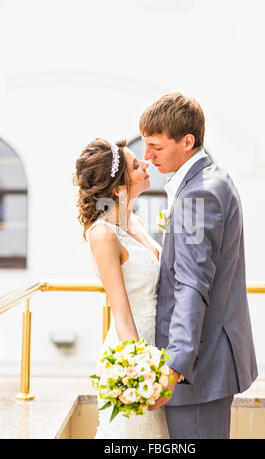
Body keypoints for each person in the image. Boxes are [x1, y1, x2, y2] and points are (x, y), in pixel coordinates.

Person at [139, 92, 258, 439]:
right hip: (209, 360)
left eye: (155, 146)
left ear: (187, 142)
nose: (148, 156)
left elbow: (191, 284)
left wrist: (175, 365)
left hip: (198, 369)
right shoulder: (212, 178)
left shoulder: (198, 195)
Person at [73, 138, 170, 439]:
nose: (146, 164)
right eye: (135, 165)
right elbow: (122, 315)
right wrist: (143, 374)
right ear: (118, 187)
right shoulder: (102, 235)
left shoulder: (136, 222)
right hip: (131, 358)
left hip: (157, 347)